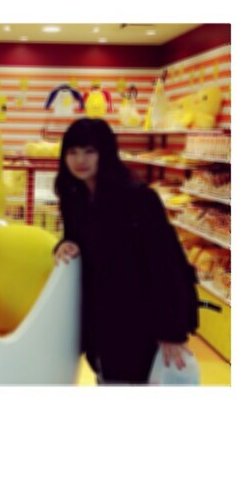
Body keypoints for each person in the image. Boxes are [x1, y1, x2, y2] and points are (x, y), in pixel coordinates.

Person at [53, 118, 198, 385]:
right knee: (106, 375)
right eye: (72, 152)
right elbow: (78, 239)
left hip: (137, 318)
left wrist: (172, 331)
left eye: (89, 151)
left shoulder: (138, 199)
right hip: (100, 318)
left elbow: (166, 264)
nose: (80, 160)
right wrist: (64, 244)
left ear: (106, 153)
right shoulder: (74, 198)